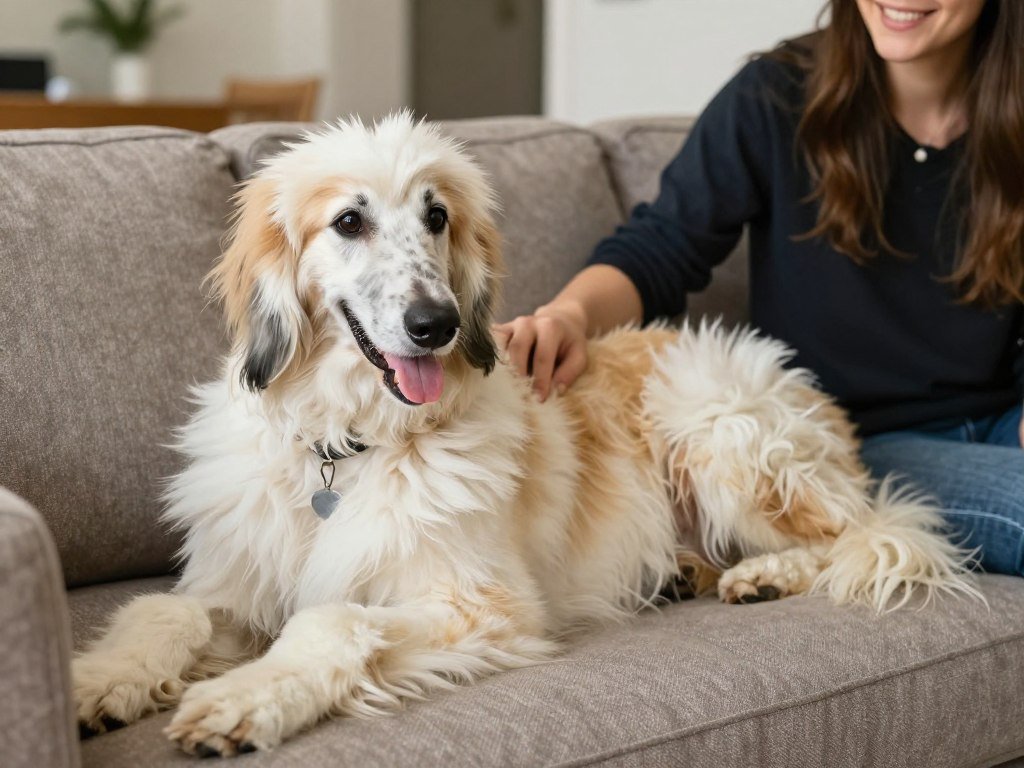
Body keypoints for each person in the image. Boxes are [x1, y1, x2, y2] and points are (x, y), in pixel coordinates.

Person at [495, 0, 1024, 575]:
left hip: (1005, 418)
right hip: (853, 440)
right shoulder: (775, 96)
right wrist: (569, 315)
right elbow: (662, 245)